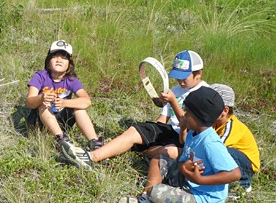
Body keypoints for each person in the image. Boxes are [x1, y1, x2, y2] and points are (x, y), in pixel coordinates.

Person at [60, 50, 208, 168]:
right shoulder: (175, 90)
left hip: (187, 137)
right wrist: (150, 132)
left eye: (184, 77)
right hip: (170, 130)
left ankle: (143, 151)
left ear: (198, 74)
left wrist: (174, 102)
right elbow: (163, 119)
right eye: (177, 77)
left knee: (171, 151)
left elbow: (189, 125)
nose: (180, 81)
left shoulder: (204, 94)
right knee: (135, 131)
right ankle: (92, 157)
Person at [119, 87, 241, 203]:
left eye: (188, 112)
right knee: (158, 159)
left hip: (202, 200)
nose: (184, 115)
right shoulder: (194, 132)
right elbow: (184, 149)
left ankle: (148, 201)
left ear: (199, 117)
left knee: (156, 192)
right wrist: (183, 166)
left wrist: (200, 180)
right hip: (188, 181)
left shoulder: (211, 143)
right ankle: (147, 197)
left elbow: (234, 173)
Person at [26, 40, 104, 162]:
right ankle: (61, 140)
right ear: (48, 61)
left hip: (62, 119)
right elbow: (29, 102)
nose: (59, 60)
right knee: (43, 105)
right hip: (40, 121)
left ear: (69, 64)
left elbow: (87, 101)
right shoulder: (40, 76)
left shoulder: (71, 80)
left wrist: (65, 103)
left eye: (64, 57)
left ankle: (95, 143)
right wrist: (41, 98)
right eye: (55, 56)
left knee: (79, 108)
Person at [210, 84, 260, 192]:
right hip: (235, 160)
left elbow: (217, 147)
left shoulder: (231, 126)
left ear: (225, 110)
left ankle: (244, 183)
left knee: (223, 151)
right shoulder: (215, 123)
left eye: (210, 106)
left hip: (247, 164)